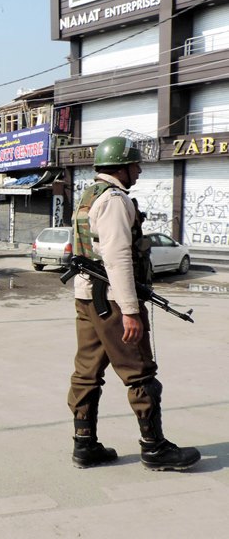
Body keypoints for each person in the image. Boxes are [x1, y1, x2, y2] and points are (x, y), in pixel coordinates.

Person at [68, 136, 199, 470]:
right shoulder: (114, 200)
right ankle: (155, 448)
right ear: (121, 168)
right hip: (113, 299)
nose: (139, 170)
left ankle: (85, 444)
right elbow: (117, 257)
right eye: (135, 165)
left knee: (87, 373)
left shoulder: (89, 195)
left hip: (88, 298)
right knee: (140, 373)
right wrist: (129, 311)